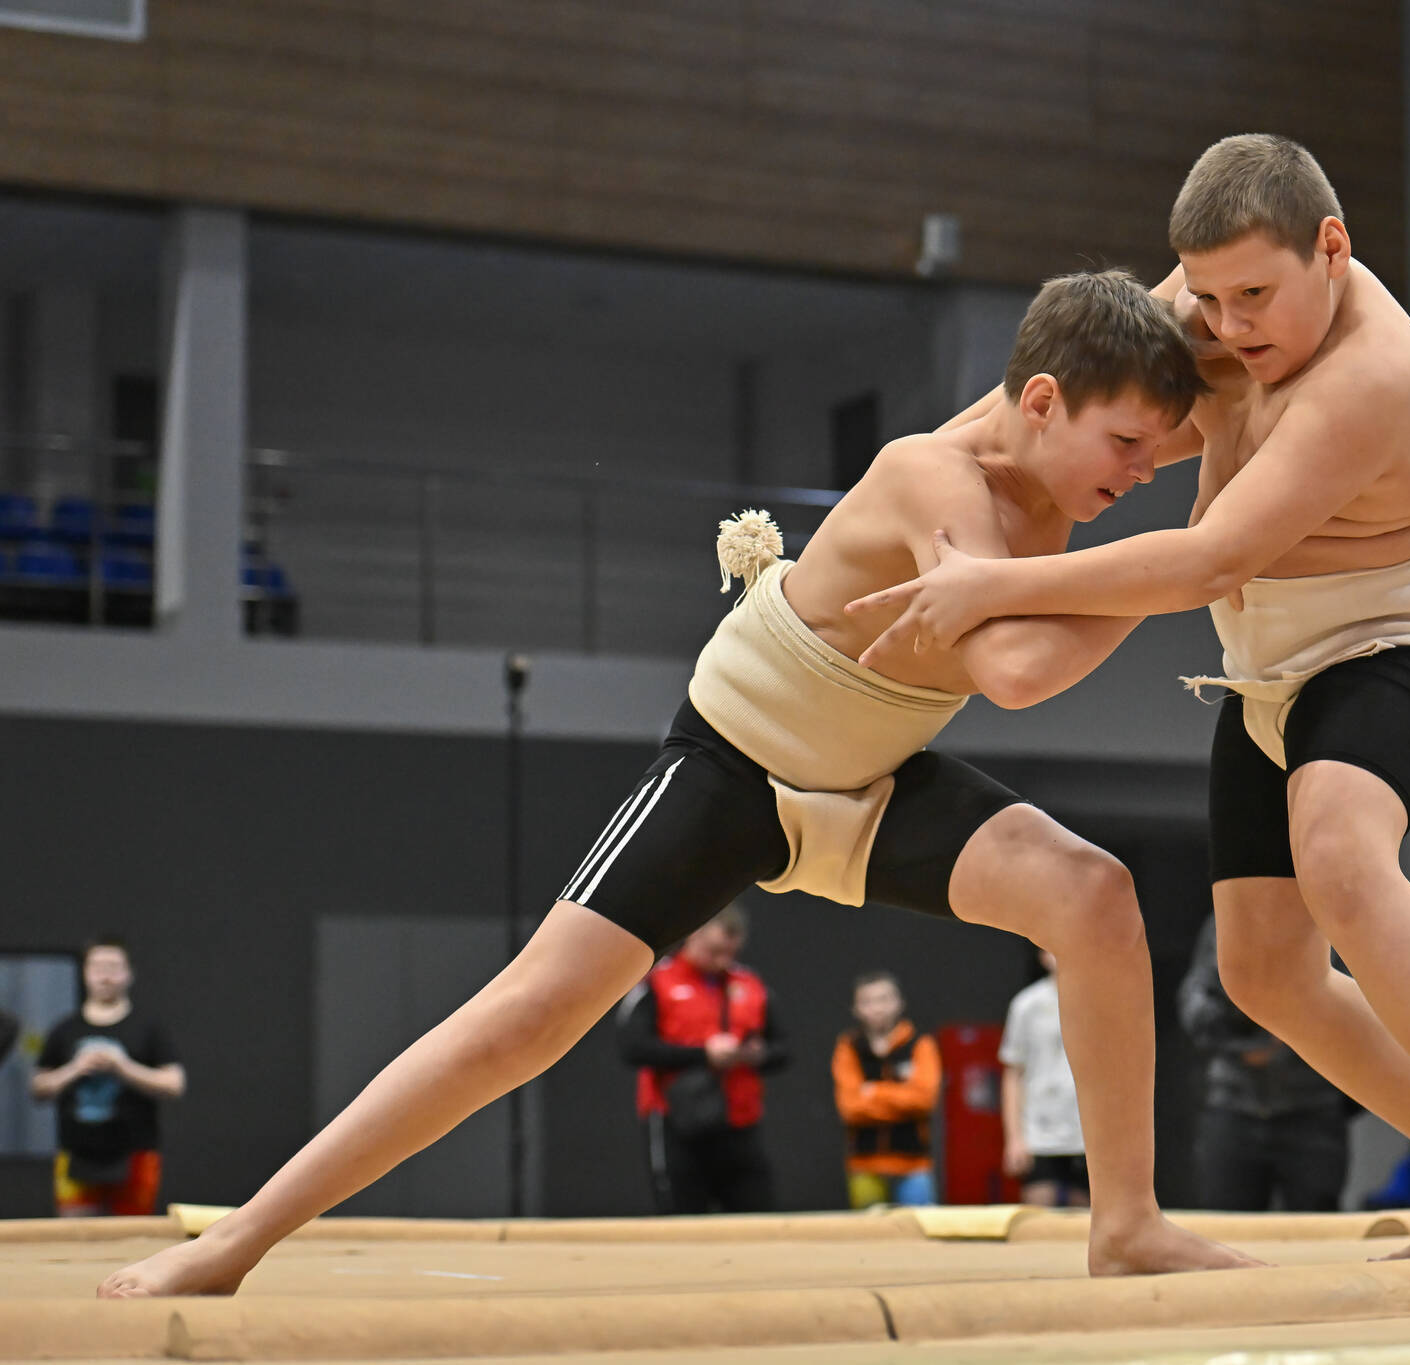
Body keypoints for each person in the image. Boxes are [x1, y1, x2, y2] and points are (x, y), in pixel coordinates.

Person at [100, 269, 1255, 1298]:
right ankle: (237, 1241)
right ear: (1043, 401)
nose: (1142, 473)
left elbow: (1175, 304)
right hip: (737, 762)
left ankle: (1126, 1222)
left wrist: (1249, 328)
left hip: (872, 776)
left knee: (1094, 895)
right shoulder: (932, 475)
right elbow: (1010, 674)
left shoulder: (1074, 433)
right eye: (1127, 450)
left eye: (1158, 452)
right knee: (532, 1013)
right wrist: (1198, 552)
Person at [849, 133, 1410, 1253]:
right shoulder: (1202, 307)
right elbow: (1043, 403)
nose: (1227, 328)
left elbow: (1206, 560)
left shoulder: (1368, 375)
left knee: (1341, 861)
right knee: (1261, 969)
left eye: (1254, 296)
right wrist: (927, 480)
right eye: (1206, 295)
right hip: (1265, 660)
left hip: (1390, 633)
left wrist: (992, 578)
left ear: (1330, 249)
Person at [616, 907, 785, 1214]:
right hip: (676, 1120)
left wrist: (756, 1055)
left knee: (758, 1220)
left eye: (730, 953)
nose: (723, 961)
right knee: (682, 1221)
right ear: (693, 936)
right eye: (714, 952)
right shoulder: (658, 982)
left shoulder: (749, 984)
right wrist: (704, 1054)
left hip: (739, 1122)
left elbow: (782, 1048)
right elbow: (632, 1047)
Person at [1178, 913, 1351, 1211]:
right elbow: (1194, 1005)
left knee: (1317, 1227)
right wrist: (1243, 1041)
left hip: (1312, 1109)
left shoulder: (1328, 922)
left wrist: (1290, 1031)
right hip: (1233, 1105)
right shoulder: (1225, 922)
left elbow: (1353, 1011)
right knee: (1226, 1229)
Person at [31, 938, 185, 1217]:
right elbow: (39, 1087)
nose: (106, 976)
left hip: (136, 1153)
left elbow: (174, 1083)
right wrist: (75, 1068)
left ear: (128, 973)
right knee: (74, 1238)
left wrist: (122, 1067)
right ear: (86, 972)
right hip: (76, 1153)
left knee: (133, 1237)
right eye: (98, 967)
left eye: (114, 967)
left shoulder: (148, 1028)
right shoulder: (65, 1030)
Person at [832, 970, 940, 1208]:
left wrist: (873, 1092)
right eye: (868, 1001)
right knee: (867, 1237)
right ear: (856, 1008)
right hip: (865, 1164)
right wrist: (899, 1096)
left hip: (913, 1164)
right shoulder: (849, 1046)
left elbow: (923, 1099)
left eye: (884, 999)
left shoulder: (920, 1043)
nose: (877, 1008)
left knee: (921, 1233)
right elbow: (850, 1107)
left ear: (899, 1003)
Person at [1001, 949, 1088, 1207]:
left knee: (1087, 1218)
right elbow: (1012, 1073)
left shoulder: (1097, 999)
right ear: (1041, 955)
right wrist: (1014, 1138)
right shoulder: (1026, 1005)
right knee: (1037, 1215)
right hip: (1039, 1132)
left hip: (1085, 1131)